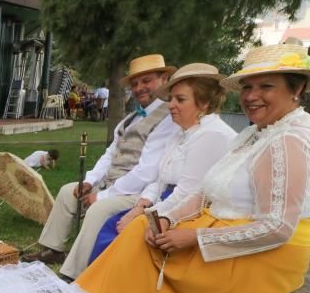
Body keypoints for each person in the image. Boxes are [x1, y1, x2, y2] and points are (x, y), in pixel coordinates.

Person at [78, 43, 310, 293]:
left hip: (266, 255)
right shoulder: (255, 133)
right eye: (247, 87)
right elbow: (206, 191)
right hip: (228, 227)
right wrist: (164, 217)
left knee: (145, 246)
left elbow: (277, 229)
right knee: (141, 230)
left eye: (266, 86)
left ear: (296, 89)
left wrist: (193, 237)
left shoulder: (289, 142)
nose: (252, 96)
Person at [22, 54, 180, 281]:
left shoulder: (168, 117)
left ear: (164, 79)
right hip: (115, 184)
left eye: (147, 81)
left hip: (139, 192)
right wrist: (90, 181)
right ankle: (53, 249)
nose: (139, 88)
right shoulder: (131, 117)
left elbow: (148, 171)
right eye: (135, 84)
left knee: (99, 209)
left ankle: (74, 273)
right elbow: (109, 155)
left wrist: (104, 195)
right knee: (69, 192)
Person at [88, 63, 236, 265]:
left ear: (204, 103)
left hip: (190, 212)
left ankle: (109, 288)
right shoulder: (180, 133)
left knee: (125, 233)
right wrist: (140, 205)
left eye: (180, 99)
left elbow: (187, 194)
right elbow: (160, 179)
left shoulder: (211, 135)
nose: (171, 105)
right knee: (113, 225)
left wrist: (145, 215)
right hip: (166, 201)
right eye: (171, 98)